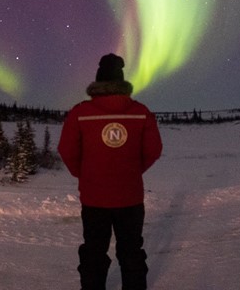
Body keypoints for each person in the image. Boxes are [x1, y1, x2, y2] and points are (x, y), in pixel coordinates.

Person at [58, 53, 163, 290]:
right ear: (121, 81)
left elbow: (67, 150)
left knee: (94, 254)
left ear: (98, 82)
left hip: (94, 198)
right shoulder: (140, 111)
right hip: (130, 198)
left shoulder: (80, 112)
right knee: (131, 253)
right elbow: (154, 150)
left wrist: (84, 174)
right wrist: (134, 171)